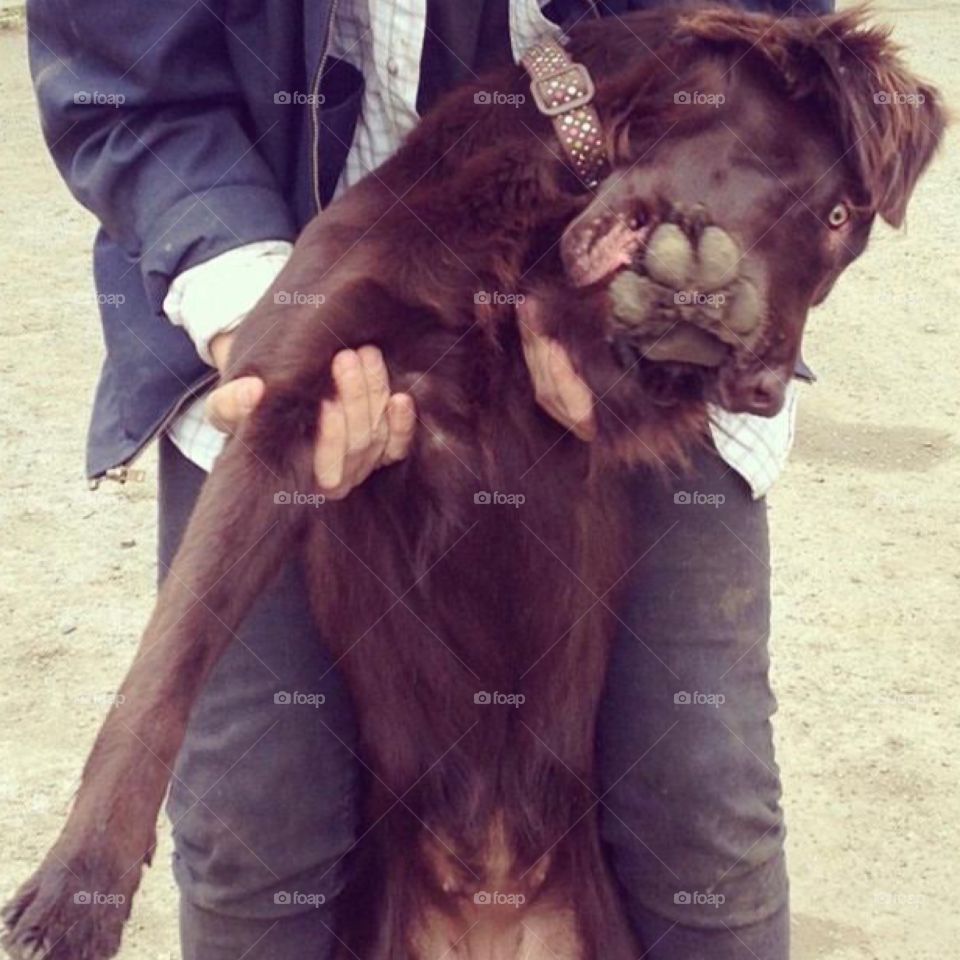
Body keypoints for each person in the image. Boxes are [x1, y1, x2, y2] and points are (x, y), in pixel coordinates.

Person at [28, 1, 831, 956]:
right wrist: (262, 312)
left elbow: (785, 62)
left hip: (649, 255)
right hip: (286, 239)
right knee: (259, 837)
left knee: (701, 821)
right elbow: (123, 83)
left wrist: (687, 314)